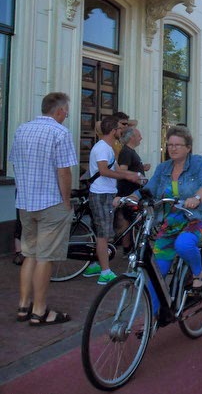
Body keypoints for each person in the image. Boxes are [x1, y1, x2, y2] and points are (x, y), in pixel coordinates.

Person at [119, 125, 202, 307]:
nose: (173, 148)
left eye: (178, 145)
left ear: (188, 147)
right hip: (172, 221)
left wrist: (196, 198)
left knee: (184, 244)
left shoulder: (198, 163)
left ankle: (198, 274)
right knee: (157, 272)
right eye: (170, 145)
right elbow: (150, 189)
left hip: (198, 218)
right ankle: (154, 316)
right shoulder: (163, 168)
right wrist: (130, 197)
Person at [9, 92, 77, 325]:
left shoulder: (21, 130)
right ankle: (39, 310)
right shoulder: (60, 133)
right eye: (66, 111)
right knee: (45, 258)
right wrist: (66, 201)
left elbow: (16, 164)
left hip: (25, 203)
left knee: (29, 253)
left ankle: (23, 305)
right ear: (59, 111)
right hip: (51, 202)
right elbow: (64, 172)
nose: (66, 115)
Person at [83, 115, 141, 284]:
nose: (122, 131)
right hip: (101, 194)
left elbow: (116, 169)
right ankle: (105, 272)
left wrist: (134, 175)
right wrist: (128, 176)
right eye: (120, 129)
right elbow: (104, 171)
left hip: (106, 193)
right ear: (113, 130)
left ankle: (95, 264)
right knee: (103, 235)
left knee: (102, 231)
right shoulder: (102, 148)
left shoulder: (108, 147)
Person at [116, 126, 150, 255]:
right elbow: (122, 171)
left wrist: (141, 168)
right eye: (139, 135)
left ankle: (130, 247)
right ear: (132, 137)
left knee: (131, 220)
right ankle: (127, 248)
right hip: (129, 191)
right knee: (127, 221)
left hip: (134, 191)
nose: (141, 138)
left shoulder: (130, 152)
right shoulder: (126, 152)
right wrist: (137, 177)